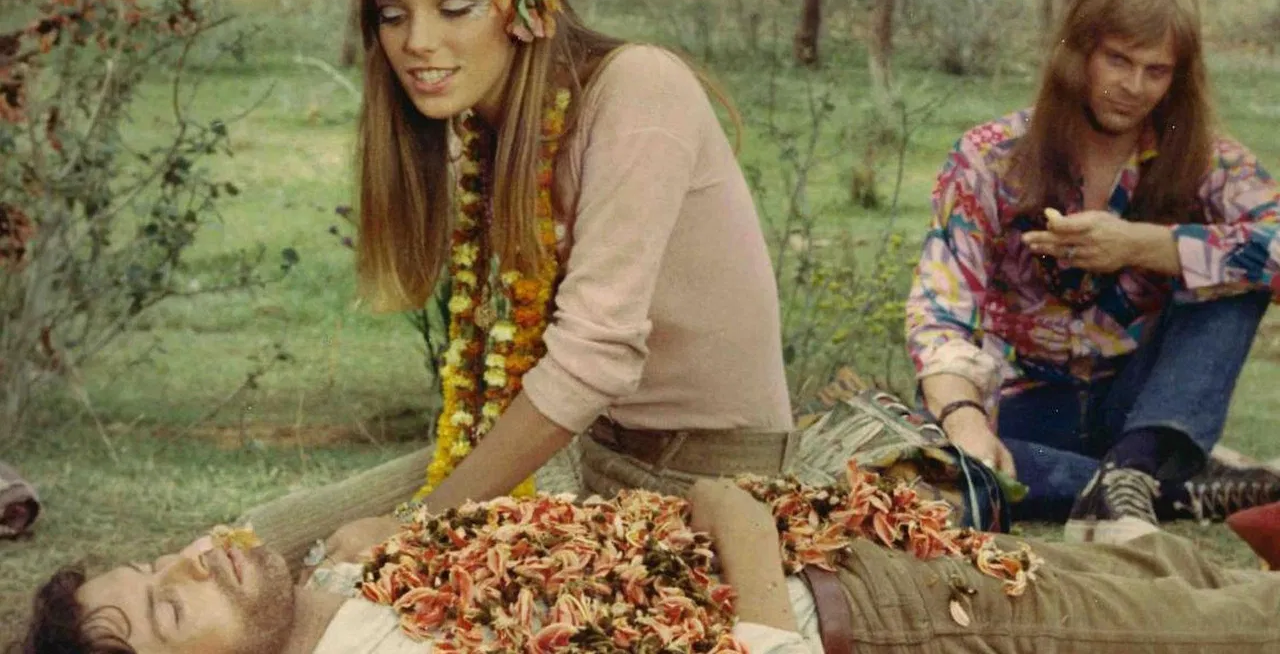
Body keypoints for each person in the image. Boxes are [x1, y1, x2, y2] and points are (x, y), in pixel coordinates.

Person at [301, 0, 795, 561]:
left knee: (347, 572)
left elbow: (595, 357)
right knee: (270, 540)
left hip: (706, 481)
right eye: (392, 16)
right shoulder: (485, 128)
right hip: (586, 454)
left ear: (525, 5)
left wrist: (418, 527)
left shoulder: (640, 86)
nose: (416, 42)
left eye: (455, 9)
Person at [16, 480, 1280, 654]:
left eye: (160, 559)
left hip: (864, 546)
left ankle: (1178, 531)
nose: (199, 558)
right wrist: (742, 544)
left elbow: (280, 533)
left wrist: (363, 542)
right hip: (886, 618)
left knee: (1176, 581)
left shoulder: (325, 601)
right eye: (169, 609)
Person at [904, 0, 1280, 543]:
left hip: (1136, 403)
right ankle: (1154, 487)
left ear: (1177, 78)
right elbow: (937, 311)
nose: (1134, 87)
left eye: (1156, 71)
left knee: (1238, 271)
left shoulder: (1205, 159)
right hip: (1025, 401)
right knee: (930, 461)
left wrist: (1146, 245)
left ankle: (1134, 467)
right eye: (1118, 60)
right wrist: (964, 420)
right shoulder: (990, 156)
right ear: (1078, 54)